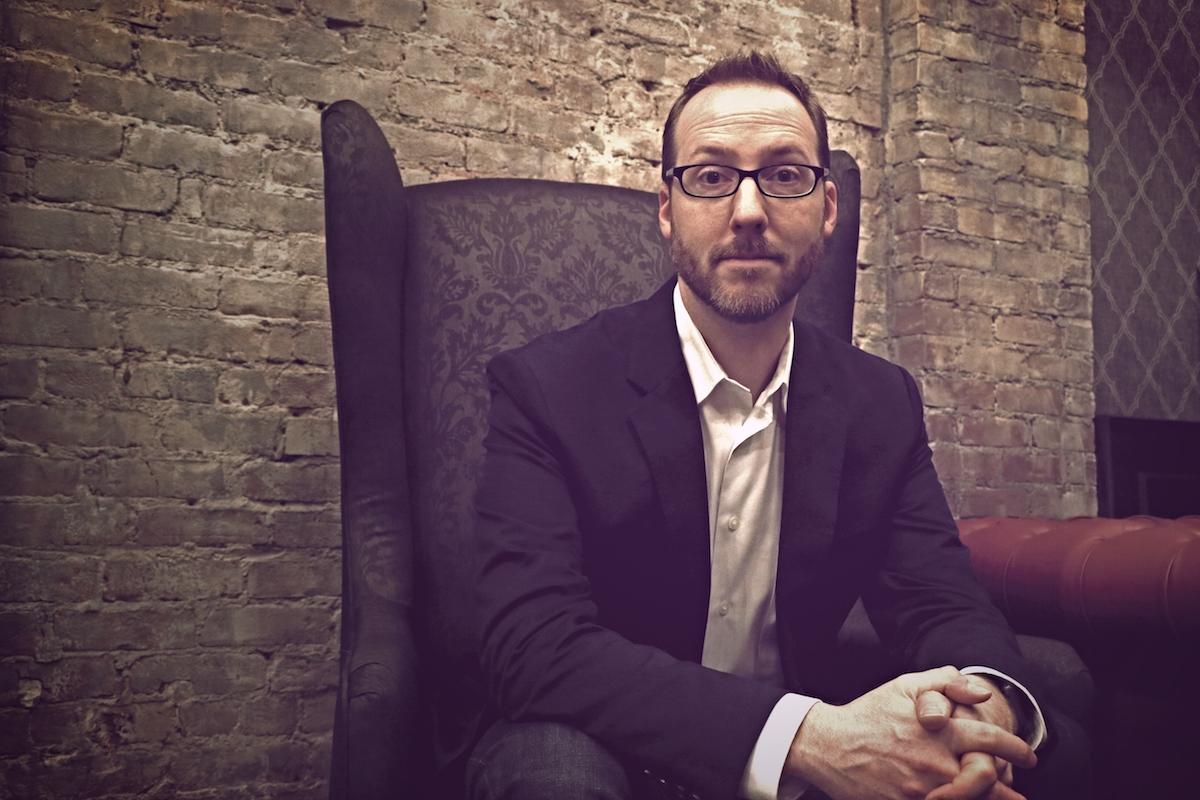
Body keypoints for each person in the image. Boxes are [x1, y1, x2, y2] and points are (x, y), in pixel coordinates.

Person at [465, 51, 1088, 800]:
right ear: (666, 209)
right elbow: (532, 644)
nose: (749, 211)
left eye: (785, 175)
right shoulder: (548, 387)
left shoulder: (879, 401)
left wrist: (981, 716)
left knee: (1052, 734)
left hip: (813, 733)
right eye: (710, 176)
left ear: (827, 209)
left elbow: (938, 600)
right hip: (610, 743)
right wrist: (807, 738)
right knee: (551, 775)